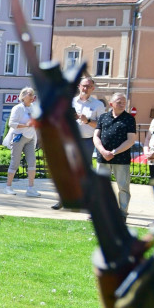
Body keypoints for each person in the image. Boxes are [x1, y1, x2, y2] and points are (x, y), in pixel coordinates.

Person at [54, 75, 105, 209]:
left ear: (92, 89)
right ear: (79, 87)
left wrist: (87, 120)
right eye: (84, 85)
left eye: (89, 86)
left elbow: (102, 125)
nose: (86, 88)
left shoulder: (98, 105)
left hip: (88, 141)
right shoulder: (70, 102)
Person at [94, 92, 136, 216]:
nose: (122, 104)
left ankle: (122, 213)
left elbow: (131, 140)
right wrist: (102, 150)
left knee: (123, 187)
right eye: (119, 101)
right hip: (103, 157)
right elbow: (96, 136)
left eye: (124, 102)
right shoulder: (103, 117)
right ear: (111, 103)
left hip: (121, 159)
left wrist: (114, 152)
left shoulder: (129, 119)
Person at [3, 86, 41, 197]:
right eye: (29, 94)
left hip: (30, 137)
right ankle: (8, 187)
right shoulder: (17, 108)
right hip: (18, 136)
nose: (32, 96)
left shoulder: (34, 107)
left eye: (33, 94)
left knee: (32, 161)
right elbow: (12, 124)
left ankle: (31, 188)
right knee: (15, 162)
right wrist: (26, 125)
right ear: (23, 96)